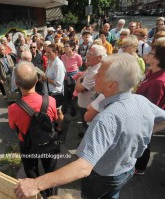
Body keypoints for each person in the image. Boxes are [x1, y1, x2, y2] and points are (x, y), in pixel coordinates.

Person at [14, 53, 165, 199]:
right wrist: (138, 133)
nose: (94, 76)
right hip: (126, 171)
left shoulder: (106, 118)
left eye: (99, 74)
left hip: (102, 177)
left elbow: (83, 167)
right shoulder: (140, 100)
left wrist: (36, 184)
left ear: (112, 85)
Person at [8, 61, 58, 198]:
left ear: (17, 84)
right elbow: (54, 120)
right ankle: (51, 194)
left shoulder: (13, 108)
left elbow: (13, 127)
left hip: (28, 146)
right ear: (37, 79)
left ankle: (38, 194)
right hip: (48, 143)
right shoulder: (51, 101)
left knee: (31, 172)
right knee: (50, 171)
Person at [135, 37, 165, 175]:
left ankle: (139, 168)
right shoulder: (150, 71)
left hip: (146, 120)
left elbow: (151, 109)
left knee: (144, 143)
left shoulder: (159, 81)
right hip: (139, 114)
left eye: (150, 53)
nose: (146, 54)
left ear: (158, 59)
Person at [75, 45, 106, 135]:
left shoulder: (94, 71)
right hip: (86, 101)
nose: (87, 56)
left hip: (87, 104)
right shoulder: (93, 66)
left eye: (90, 54)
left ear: (99, 57)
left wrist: (78, 80)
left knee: (88, 123)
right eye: (88, 53)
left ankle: (87, 138)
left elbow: (79, 89)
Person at [41, 44, 66, 133]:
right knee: (53, 110)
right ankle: (56, 124)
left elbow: (58, 82)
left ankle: (60, 128)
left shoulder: (58, 64)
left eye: (49, 52)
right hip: (49, 92)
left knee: (58, 111)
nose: (46, 54)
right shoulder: (50, 61)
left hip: (55, 92)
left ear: (55, 52)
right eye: (45, 52)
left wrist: (46, 79)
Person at [61, 40, 82, 116]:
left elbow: (79, 65)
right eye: (64, 46)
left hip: (74, 79)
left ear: (72, 47)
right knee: (65, 94)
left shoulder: (77, 56)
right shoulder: (63, 57)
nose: (65, 48)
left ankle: (73, 111)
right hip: (65, 78)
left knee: (73, 95)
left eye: (67, 46)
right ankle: (64, 110)